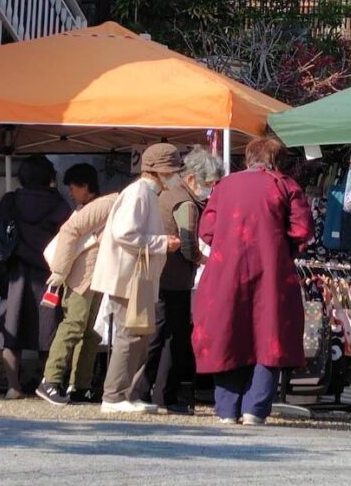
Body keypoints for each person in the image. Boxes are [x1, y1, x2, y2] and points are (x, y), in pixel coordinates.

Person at [192, 136, 313, 425]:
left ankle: (226, 409)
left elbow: (206, 230)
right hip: (271, 271)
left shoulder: (224, 186)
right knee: (269, 336)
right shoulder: (285, 185)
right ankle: (254, 409)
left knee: (228, 332)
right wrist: (281, 249)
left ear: (248, 157)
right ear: (277, 160)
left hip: (226, 271)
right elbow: (302, 231)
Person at [89, 143, 183, 414]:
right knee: (131, 335)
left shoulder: (145, 193)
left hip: (135, 275)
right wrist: (163, 243)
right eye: (172, 171)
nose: (175, 176)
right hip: (127, 276)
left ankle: (125, 394)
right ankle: (114, 396)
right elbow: (124, 233)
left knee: (139, 335)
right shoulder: (139, 194)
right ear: (159, 172)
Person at [131, 147, 223, 414]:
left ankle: (144, 391)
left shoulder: (165, 194)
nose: (210, 190)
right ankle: (164, 394)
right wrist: (201, 259)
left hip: (157, 274)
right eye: (208, 184)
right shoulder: (185, 202)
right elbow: (188, 242)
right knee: (172, 338)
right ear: (192, 178)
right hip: (174, 279)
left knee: (155, 335)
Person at [0, 155, 71, 399]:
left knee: (12, 328)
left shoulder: (11, 200)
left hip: (15, 272)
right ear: (50, 177)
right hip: (48, 273)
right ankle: (49, 384)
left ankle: (13, 387)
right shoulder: (59, 204)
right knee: (49, 330)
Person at [35, 165, 115, 406]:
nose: (70, 192)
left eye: (73, 187)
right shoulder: (102, 205)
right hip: (82, 275)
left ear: (85, 186)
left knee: (88, 331)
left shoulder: (97, 205)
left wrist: (60, 270)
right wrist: (59, 270)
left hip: (91, 273)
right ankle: (51, 380)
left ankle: (80, 385)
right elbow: (70, 232)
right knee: (75, 325)